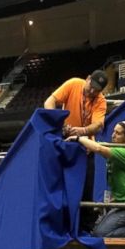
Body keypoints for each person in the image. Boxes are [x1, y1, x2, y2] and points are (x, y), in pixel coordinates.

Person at [45, 69, 110, 228]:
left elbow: (97, 125)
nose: (92, 91)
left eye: (97, 90)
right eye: (91, 86)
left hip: (84, 149)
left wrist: (81, 131)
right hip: (65, 144)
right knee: (59, 186)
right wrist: (57, 122)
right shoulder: (74, 83)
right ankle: (59, 224)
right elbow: (50, 102)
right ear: (87, 78)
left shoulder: (100, 101)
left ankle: (84, 228)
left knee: (86, 191)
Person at [69, 120, 125, 238]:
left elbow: (99, 149)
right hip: (122, 204)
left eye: (118, 133)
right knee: (96, 230)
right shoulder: (114, 148)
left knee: (100, 234)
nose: (113, 135)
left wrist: (78, 138)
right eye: (113, 131)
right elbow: (97, 145)